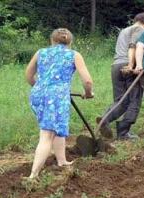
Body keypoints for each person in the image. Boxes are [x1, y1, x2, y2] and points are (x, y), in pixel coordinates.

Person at [25, 28, 94, 179]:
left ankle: (62, 161)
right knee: (47, 134)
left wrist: (41, 88)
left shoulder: (40, 52)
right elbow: (87, 81)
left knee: (56, 127)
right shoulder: (74, 55)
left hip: (37, 94)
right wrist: (88, 94)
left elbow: (29, 75)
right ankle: (33, 175)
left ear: (52, 40)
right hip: (56, 98)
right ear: (70, 42)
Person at [98, 12, 144, 140]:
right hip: (128, 66)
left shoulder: (124, 30)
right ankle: (123, 132)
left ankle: (104, 119)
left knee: (121, 101)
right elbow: (132, 47)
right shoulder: (139, 29)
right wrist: (131, 65)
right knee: (135, 100)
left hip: (116, 66)